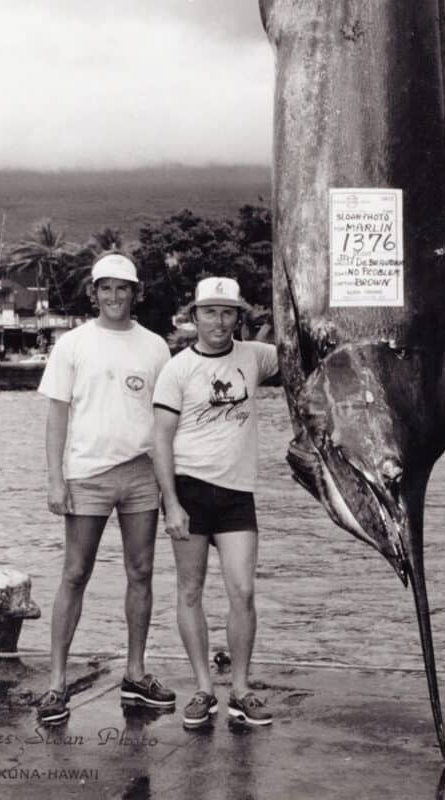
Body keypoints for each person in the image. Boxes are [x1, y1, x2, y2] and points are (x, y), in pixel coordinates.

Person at [35, 253, 174, 724]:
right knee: (75, 573)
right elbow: (57, 418)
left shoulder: (156, 346)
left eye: (123, 288)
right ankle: (56, 684)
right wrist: (56, 479)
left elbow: (167, 419)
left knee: (141, 572)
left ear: (136, 293)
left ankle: (135, 675)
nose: (114, 296)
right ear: (93, 293)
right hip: (87, 474)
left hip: (141, 472)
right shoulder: (72, 344)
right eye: (106, 288)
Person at [151, 276, 279, 730]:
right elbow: (161, 441)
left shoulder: (257, 358)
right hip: (190, 491)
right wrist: (171, 504)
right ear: (195, 317)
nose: (219, 321)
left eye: (227, 313)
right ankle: (204, 688)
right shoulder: (177, 368)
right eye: (210, 312)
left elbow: (305, 355)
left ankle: (240, 690)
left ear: (237, 318)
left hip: (237, 495)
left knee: (243, 592)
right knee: (190, 591)